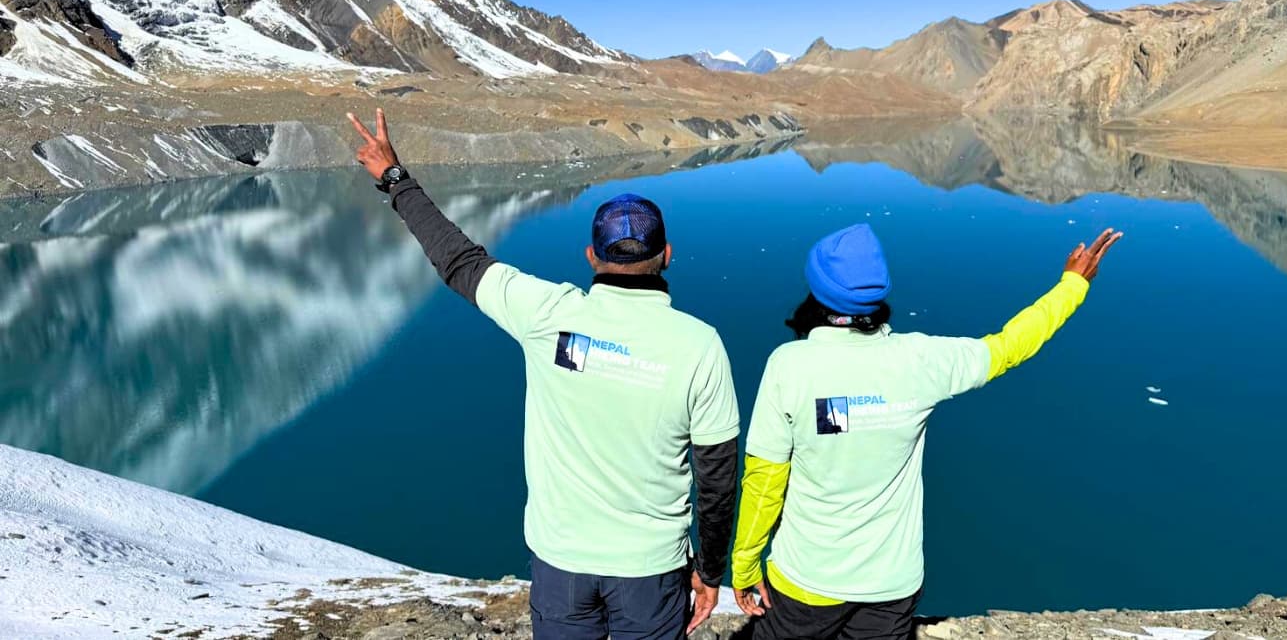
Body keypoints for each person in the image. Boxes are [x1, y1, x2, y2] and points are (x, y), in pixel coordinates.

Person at [347, 109, 740, 640]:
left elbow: (459, 262)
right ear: (666, 256)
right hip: (650, 570)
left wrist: (395, 179)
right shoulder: (701, 346)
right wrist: (710, 573)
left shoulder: (547, 314)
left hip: (561, 563)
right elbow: (717, 478)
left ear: (591, 256)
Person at [730, 223, 1122, 640]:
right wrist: (1072, 286)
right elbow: (1009, 346)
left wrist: (745, 565)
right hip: (891, 586)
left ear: (818, 291)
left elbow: (764, 480)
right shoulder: (921, 361)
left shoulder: (789, 366)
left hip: (806, 581)